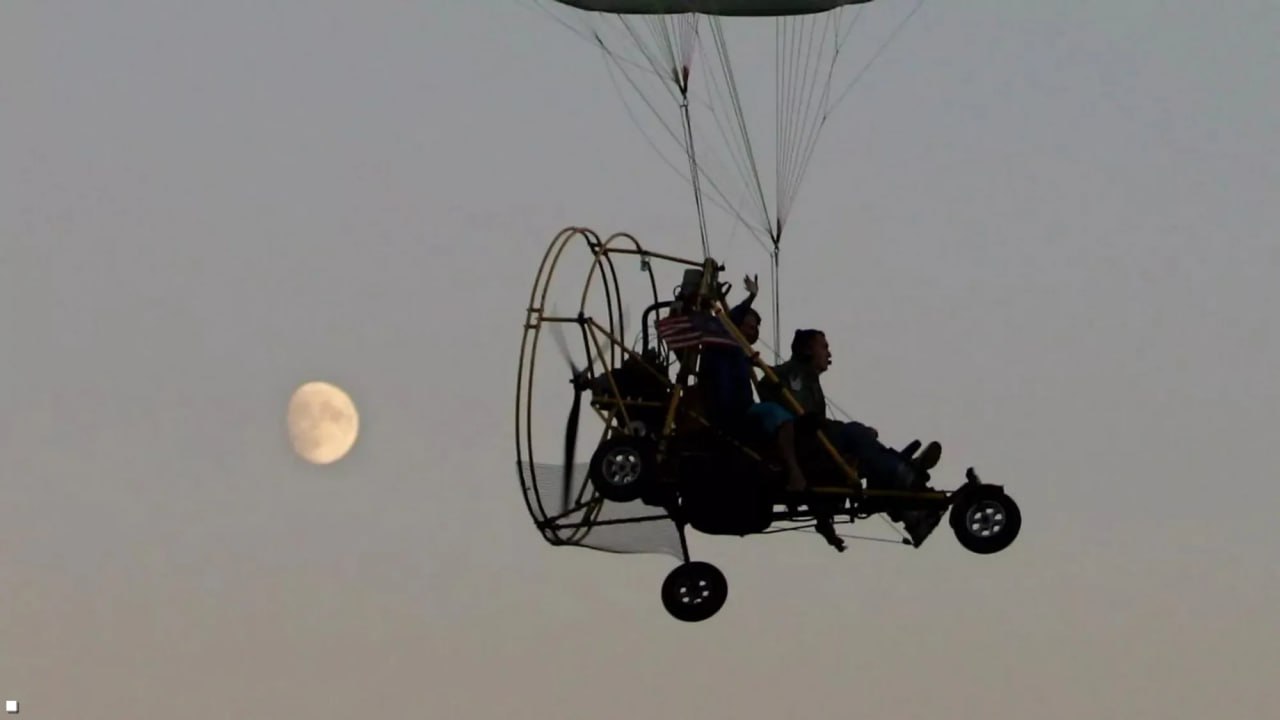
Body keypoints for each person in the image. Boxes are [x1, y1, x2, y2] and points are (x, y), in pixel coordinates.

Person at [760, 328, 944, 542]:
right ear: (808, 350)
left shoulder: (810, 381)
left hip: (815, 446)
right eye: (824, 347)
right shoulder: (790, 374)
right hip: (804, 447)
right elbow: (803, 418)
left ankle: (913, 511)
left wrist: (825, 525)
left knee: (867, 454)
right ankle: (903, 471)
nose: (829, 354)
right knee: (856, 434)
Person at [694, 274, 810, 492]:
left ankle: (779, 464)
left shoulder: (738, 352)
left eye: (755, 328)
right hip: (729, 410)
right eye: (750, 326)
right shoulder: (722, 340)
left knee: (783, 419)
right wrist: (751, 297)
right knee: (781, 418)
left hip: (740, 407)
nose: (753, 331)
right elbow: (731, 319)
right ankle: (795, 473)